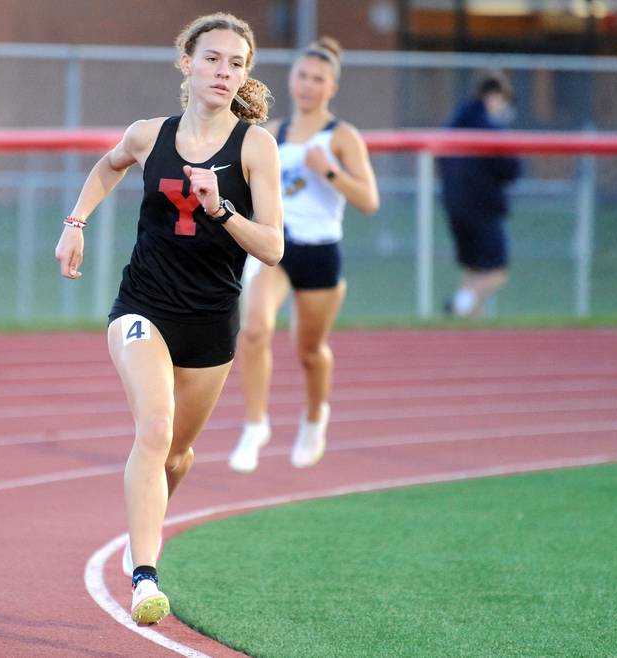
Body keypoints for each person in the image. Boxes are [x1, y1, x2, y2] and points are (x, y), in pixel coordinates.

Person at [54, 13, 283, 625]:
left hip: (210, 323)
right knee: (154, 430)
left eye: (236, 63)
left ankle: (141, 533)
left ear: (244, 74)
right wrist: (75, 224)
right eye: (212, 58)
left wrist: (223, 208)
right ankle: (145, 576)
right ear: (187, 63)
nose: (223, 71)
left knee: (178, 454)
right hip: (143, 308)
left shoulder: (255, 146)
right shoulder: (148, 134)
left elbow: (273, 246)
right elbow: (108, 166)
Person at [227, 37, 379, 474]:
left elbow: (369, 201)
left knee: (309, 350)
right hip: (276, 247)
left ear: (331, 86)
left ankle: (315, 418)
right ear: (291, 80)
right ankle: (255, 424)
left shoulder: (342, 137)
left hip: (320, 251)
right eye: (302, 76)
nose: (308, 85)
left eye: (318, 79)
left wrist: (328, 171)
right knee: (254, 331)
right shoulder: (271, 133)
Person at [439, 69, 521, 318]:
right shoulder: (489, 129)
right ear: (494, 96)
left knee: (473, 268)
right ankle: (460, 306)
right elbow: (512, 168)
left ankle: (470, 325)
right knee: (497, 271)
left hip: (453, 206)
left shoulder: (453, 124)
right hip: (483, 208)